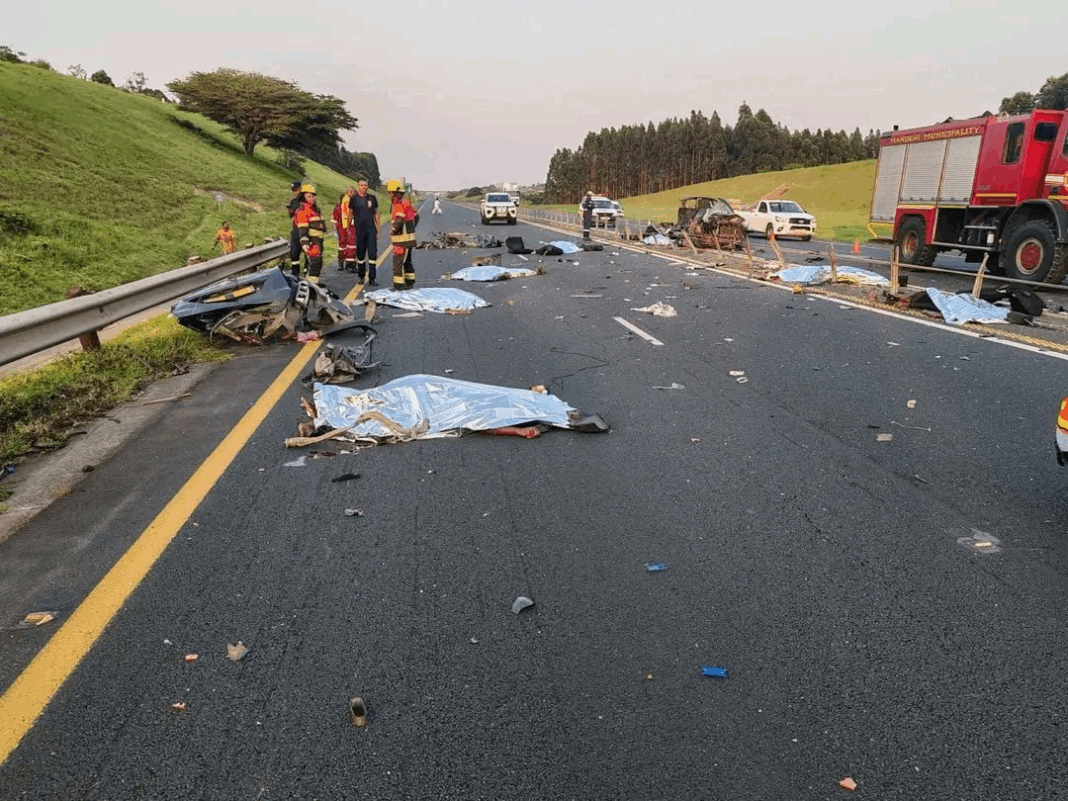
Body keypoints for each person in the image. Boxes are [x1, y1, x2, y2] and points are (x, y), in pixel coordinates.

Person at [348, 179, 381, 284]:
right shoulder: (353, 199)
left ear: (367, 186)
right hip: (359, 230)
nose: (363, 187)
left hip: (371, 230)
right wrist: (348, 228)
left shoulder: (372, 198)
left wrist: (379, 230)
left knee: (372, 254)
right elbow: (350, 214)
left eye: (365, 185)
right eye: (361, 185)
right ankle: (361, 277)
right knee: (360, 255)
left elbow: (376, 214)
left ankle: (372, 278)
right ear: (358, 186)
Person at [387, 179, 418, 290]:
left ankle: (398, 285)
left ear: (393, 192)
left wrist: (394, 230)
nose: (389, 195)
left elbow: (399, 220)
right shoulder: (406, 202)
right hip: (409, 238)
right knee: (407, 261)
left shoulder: (398, 203)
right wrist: (411, 230)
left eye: (389, 192)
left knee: (398, 262)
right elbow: (416, 216)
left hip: (401, 240)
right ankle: (410, 281)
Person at [293, 184, 326, 283]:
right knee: (315, 263)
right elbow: (302, 229)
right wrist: (305, 243)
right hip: (312, 241)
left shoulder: (314, 209)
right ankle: (312, 286)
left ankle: (312, 283)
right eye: (309, 196)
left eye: (313, 196)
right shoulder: (303, 211)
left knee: (316, 263)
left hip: (318, 240)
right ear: (304, 197)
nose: (312, 198)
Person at [333, 189, 357, 273]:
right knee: (349, 246)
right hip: (346, 228)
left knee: (346, 246)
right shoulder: (341, 207)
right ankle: (348, 264)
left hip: (345, 228)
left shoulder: (339, 207)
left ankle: (344, 264)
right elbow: (335, 220)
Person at [286, 180, 303, 276]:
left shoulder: (306, 200)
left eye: (296, 190)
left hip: (305, 230)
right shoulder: (293, 201)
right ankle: (295, 272)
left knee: (307, 251)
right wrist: (290, 212)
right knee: (294, 252)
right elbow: (290, 216)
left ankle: (307, 271)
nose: (295, 192)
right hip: (296, 230)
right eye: (293, 190)